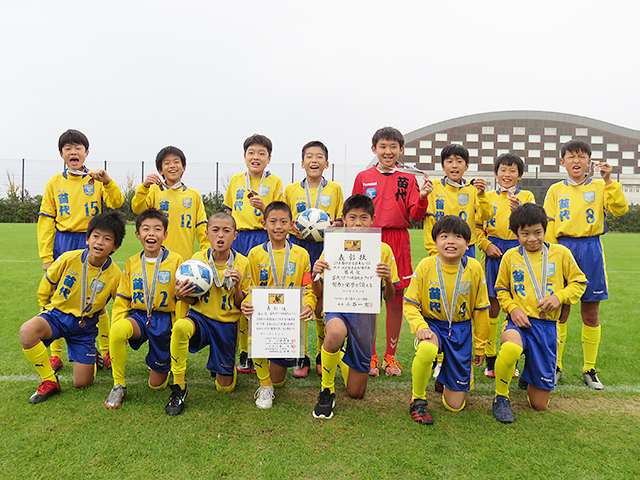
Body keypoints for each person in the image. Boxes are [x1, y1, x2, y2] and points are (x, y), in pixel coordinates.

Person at [543, 139, 628, 389]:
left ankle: (589, 369)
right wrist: (551, 256)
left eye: (581, 156)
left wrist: (609, 181)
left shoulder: (601, 186)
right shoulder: (555, 190)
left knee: (590, 312)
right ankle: (555, 366)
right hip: (563, 249)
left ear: (590, 162)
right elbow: (548, 225)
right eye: (571, 156)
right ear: (563, 162)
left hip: (591, 249)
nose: (576, 161)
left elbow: (620, 209)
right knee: (560, 310)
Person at [38, 129, 124, 372]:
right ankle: (55, 355)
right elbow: (46, 221)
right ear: (61, 154)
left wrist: (107, 181)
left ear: (86, 153)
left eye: (78, 148)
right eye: (68, 148)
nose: (73, 151)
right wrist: (47, 256)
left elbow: (117, 202)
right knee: (58, 299)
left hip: (92, 241)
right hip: (64, 242)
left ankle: (106, 351)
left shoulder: (96, 179)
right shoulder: (54, 183)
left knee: (98, 297)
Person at [492, 203, 587, 423]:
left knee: (539, 405)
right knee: (510, 348)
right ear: (516, 234)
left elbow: (579, 282)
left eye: (537, 232)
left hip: (546, 327)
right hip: (518, 323)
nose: (532, 239)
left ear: (545, 230)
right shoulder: (510, 256)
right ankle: (500, 397)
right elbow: (501, 290)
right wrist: (513, 308)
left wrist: (559, 297)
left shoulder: (561, 253)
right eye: (525, 234)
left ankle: (529, 374)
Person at [20, 211, 126, 403]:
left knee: (82, 383)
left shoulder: (116, 275)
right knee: (27, 331)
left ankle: (91, 356)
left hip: (84, 328)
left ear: (115, 246)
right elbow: (47, 282)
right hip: (56, 317)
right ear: (87, 239)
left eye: (107, 239)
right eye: (96, 236)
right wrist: (44, 308)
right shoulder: (69, 258)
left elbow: (121, 305)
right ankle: (50, 380)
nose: (100, 242)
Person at [352, 127, 432, 377]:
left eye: (393, 147)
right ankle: (371, 356)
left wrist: (423, 197)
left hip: (398, 240)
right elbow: (354, 213)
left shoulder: (408, 178)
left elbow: (415, 215)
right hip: (370, 240)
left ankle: (391, 357)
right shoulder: (363, 177)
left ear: (401, 149)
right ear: (374, 149)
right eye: (383, 147)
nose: (388, 151)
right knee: (368, 301)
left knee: (395, 300)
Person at [311, 194, 399, 419]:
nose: (358, 223)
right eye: (352, 217)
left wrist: (388, 279)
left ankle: (340, 356)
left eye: (364, 218)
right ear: (344, 219)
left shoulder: (383, 250)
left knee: (356, 393)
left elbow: (389, 298)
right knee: (335, 332)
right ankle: (327, 389)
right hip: (338, 308)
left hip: (364, 316)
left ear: (373, 220)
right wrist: (316, 275)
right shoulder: (333, 246)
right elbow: (319, 293)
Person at [404, 215, 490, 425]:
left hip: (461, 330)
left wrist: (480, 346)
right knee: (427, 349)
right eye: (444, 236)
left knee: (455, 406)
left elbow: (481, 310)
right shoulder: (426, 266)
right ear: (435, 242)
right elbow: (410, 303)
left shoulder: (474, 268)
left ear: (468, 243)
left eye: (458, 237)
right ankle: (418, 399)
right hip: (433, 324)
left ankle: (445, 376)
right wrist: (420, 326)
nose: (451, 241)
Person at [165, 212, 251, 415]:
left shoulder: (242, 263)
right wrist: (181, 295)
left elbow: (241, 305)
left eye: (226, 231)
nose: (220, 235)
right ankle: (178, 386)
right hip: (200, 319)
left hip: (226, 325)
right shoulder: (198, 260)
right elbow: (192, 300)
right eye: (215, 230)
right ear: (207, 233)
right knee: (180, 327)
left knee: (225, 388)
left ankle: (221, 366)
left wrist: (238, 286)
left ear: (235, 235)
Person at [104, 208, 189, 409]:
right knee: (118, 330)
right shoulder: (132, 262)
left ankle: (162, 363)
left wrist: (178, 324)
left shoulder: (176, 260)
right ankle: (118, 385)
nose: (151, 233)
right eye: (146, 229)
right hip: (139, 317)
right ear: (138, 234)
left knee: (156, 385)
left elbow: (181, 299)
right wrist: (116, 327)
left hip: (164, 320)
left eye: (157, 229)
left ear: (165, 234)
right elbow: (123, 298)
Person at [240, 201, 316, 409]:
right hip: (264, 317)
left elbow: (307, 288)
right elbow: (249, 288)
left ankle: (271, 378)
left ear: (291, 224)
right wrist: (247, 303)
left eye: (283, 222)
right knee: (256, 339)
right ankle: (264, 385)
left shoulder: (302, 254)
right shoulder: (255, 254)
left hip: (287, 320)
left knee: (279, 381)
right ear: (264, 224)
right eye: (273, 221)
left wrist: (309, 304)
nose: (278, 226)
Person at [224, 134, 284, 375]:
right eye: (251, 152)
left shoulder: (276, 182)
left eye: (261, 153)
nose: (256, 157)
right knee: (239, 294)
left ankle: (264, 347)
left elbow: (280, 215)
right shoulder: (236, 181)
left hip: (263, 239)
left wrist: (264, 208)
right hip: (240, 239)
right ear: (244, 156)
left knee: (263, 293)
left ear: (269, 158)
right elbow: (229, 212)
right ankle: (244, 350)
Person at [285, 140, 344, 377]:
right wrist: (291, 226)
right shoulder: (291, 190)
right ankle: (302, 355)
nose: (314, 160)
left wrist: (334, 225)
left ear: (326, 163)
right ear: (302, 163)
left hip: (325, 249)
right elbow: (285, 219)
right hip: (299, 248)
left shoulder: (335, 189)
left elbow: (341, 219)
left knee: (322, 302)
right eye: (309, 156)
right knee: (300, 300)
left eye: (319, 156)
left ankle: (322, 353)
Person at [476, 153, 535, 377]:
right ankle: (490, 357)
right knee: (492, 305)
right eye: (503, 170)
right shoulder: (487, 197)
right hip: (494, 251)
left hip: (518, 253)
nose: (507, 174)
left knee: (516, 304)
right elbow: (477, 227)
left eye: (512, 171)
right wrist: (486, 245)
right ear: (495, 173)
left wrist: (519, 210)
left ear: (520, 176)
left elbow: (533, 224)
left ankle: (513, 357)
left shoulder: (526, 196)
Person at [131, 145, 208, 262]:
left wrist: (206, 252)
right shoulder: (153, 191)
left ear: (184, 167)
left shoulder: (194, 195)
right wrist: (144, 187)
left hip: (184, 259)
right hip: (157, 259)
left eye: (176, 162)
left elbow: (202, 227)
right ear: (160, 170)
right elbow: (137, 208)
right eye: (167, 163)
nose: (172, 166)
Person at [423, 143, 492, 258]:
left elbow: (486, 216)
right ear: (443, 166)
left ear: (467, 166)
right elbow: (429, 222)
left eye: (459, 161)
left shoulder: (473, 189)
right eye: (449, 161)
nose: (454, 166)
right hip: (441, 247)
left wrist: (482, 195)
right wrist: (434, 251)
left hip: (466, 247)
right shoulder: (433, 187)